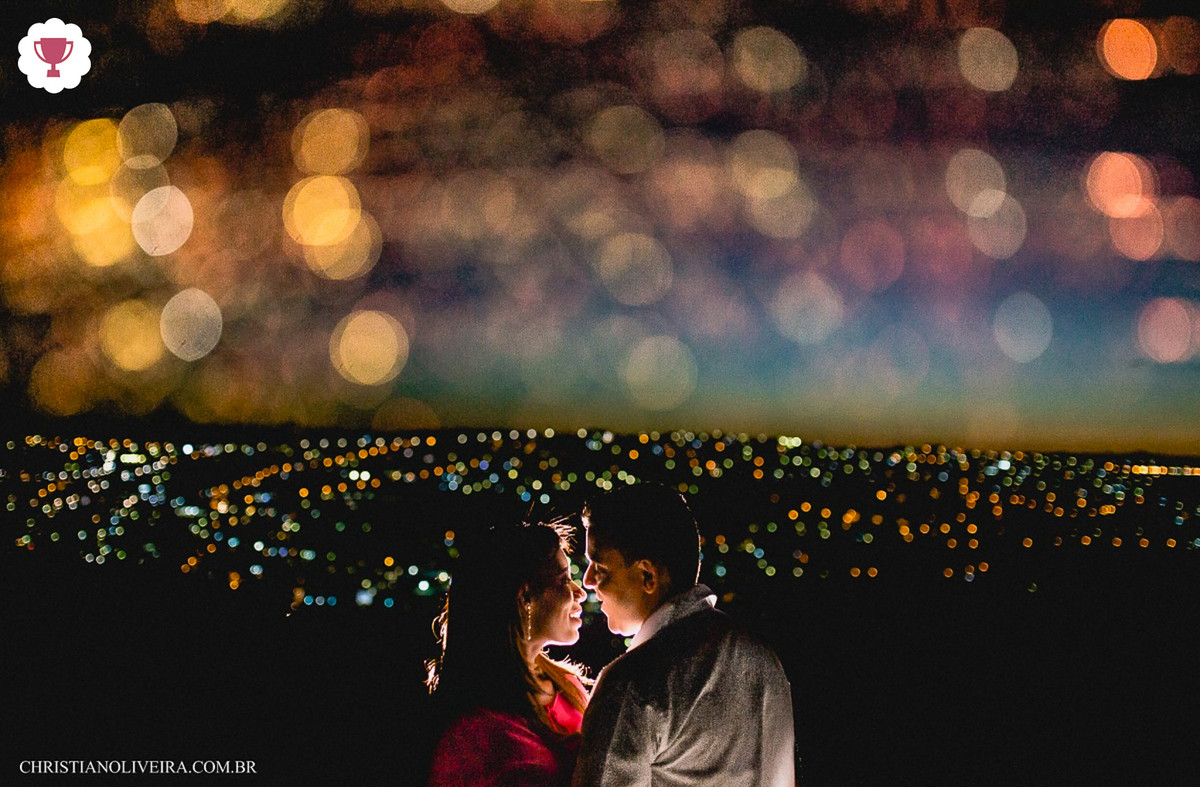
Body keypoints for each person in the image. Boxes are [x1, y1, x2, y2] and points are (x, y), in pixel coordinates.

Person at [573, 484, 796, 787]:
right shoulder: (766, 664)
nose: (587, 581)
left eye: (599, 566)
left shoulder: (633, 684)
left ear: (647, 576)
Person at [426, 520, 590, 786]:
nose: (580, 593)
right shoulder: (476, 736)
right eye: (564, 579)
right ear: (524, 596)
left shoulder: (566, 684)